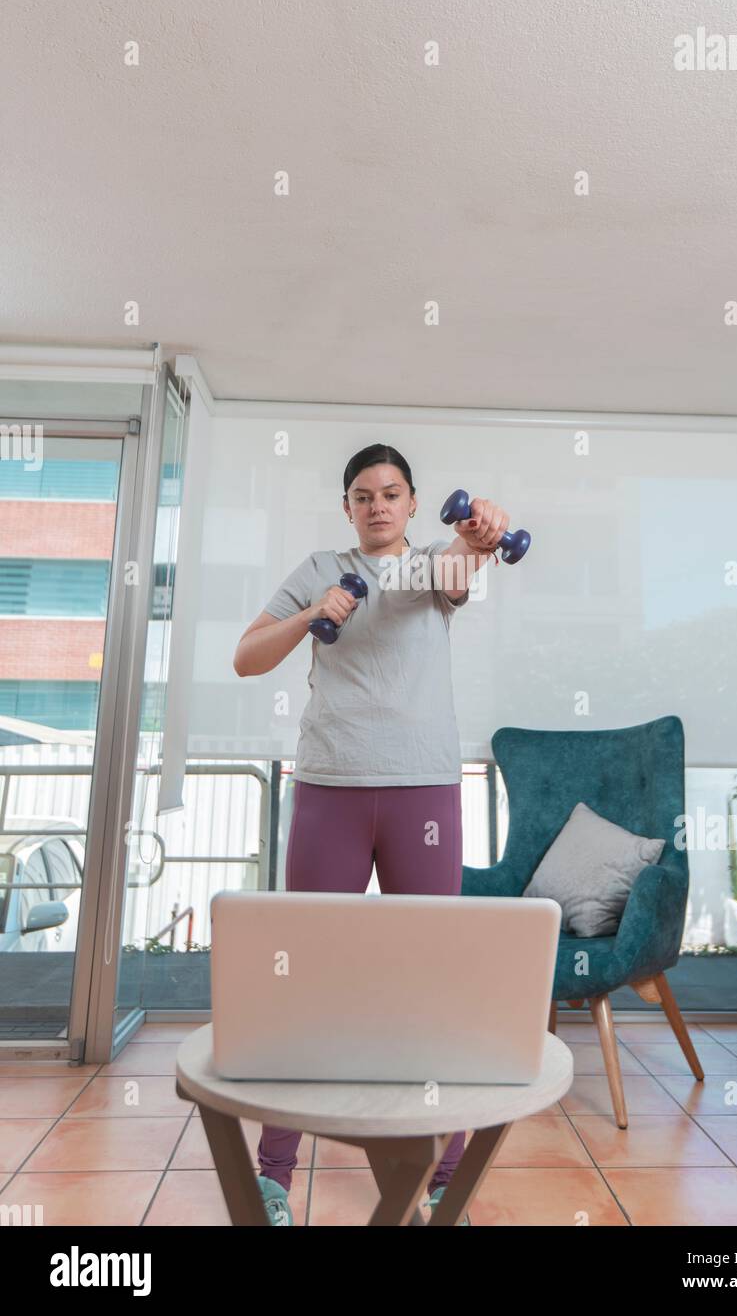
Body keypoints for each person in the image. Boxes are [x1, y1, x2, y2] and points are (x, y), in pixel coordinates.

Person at [232, 443, 510, 1226]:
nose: (378, 504)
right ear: (346, 507)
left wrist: (482, 533)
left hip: (423, 788)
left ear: (414, 503)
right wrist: (309, 613)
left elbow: (461, 570)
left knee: (432, 975)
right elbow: (247, 658)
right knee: (306, 974)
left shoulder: (428, 565)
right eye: (363, 495)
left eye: (391, 493)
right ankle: (274, 1175)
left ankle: (442, 1169)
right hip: (330, 789)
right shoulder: (318, 566)